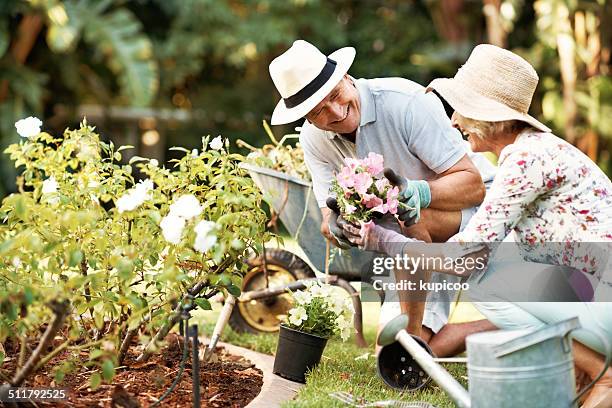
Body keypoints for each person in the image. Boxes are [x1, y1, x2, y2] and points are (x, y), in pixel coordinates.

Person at [343, 44, 612, 408]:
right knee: (503, 268)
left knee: (486, 282)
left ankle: (603, 375)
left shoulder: (524, 162)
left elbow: (462, 259)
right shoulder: (533, 151)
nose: (454, 122)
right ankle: (583, 372)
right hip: (597, 294)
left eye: (461, 110)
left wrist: (385, 241)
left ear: (488, 116)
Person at [268, 40, 497, 357]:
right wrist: (338, 225)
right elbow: (327, 216)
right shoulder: (314, 140)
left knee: (412, 216)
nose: (335, 112)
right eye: (319, 111)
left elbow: (474, 186)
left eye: (335, 95)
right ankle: (496, 330)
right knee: (387, 353)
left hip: (477, 215)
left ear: (346, 78)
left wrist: (418, 192)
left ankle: (413, 337)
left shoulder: (405, 103)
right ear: (307, 118)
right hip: (413, 246)